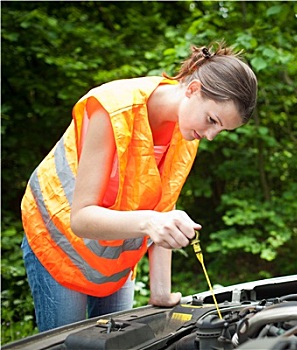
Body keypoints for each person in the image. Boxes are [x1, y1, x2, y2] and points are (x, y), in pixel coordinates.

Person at [20, 41, 258, 332]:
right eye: (212, 120)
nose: (210, 135)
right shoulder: (113, 110)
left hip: (112, 261)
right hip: (58, 244)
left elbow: (163, 209)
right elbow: (81, 219)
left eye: (220, 130)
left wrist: (161, 292)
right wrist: (152, 222)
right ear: (193, 89)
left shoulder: (187, 132)